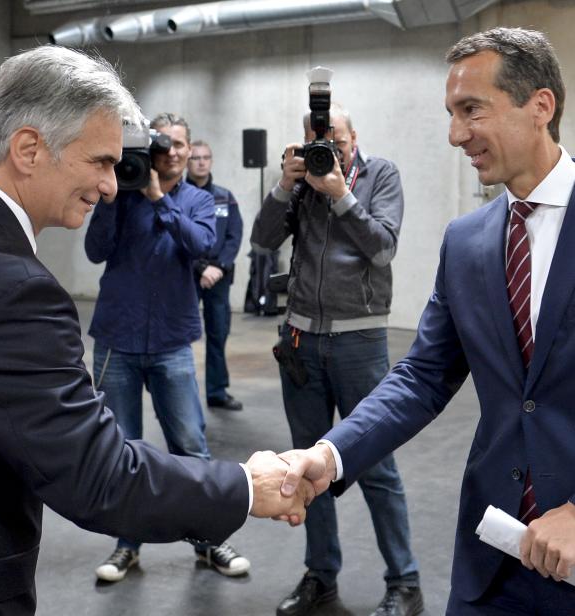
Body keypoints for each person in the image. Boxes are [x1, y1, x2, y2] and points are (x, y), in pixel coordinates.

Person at [0, 45, 311, 616]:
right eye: (99, 161)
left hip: (169, 335)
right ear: (28, 149)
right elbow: (99, 477)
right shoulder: (15, 288)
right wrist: (247, 486)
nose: (107, 184)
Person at [280, 27, 575, 616]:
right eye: (450, 113)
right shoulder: (466, 242)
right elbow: (423, 375)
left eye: (472, 110)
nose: (455, 135)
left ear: (540, 105)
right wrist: (331, 454)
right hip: (492, 560)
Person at [251, 103, 423, 616]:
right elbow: (262, 242)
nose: (331, 151)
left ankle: (406, 582)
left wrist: (342, 195)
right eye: (318, 143)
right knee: (305, 468)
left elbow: (383, 248)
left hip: (359, 341)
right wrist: (286, 185)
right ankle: (320, 575)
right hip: (302, 340)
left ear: (355, 138)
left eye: (339, 142)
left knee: (375, 464)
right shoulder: (300, 182)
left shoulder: (380, 174)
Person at [85, 113, 251, 582]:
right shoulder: (122, 193)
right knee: (120, 450)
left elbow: (202, 244)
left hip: (172, 341)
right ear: (150, 148)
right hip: (117, 338)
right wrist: (116, 195)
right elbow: (96, 250)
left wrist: (158, 199)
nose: (174, 152)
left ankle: (209, 541)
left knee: (190, 447)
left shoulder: (200, 199)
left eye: (181, 144)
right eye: (166, 144)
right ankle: (126, 545)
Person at [186, 139, 244, 411]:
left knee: (218, 333)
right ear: (187, 161)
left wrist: (218, 267)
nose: (200, 162)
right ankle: (180, 394)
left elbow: (234, 236)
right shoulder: (177, 195)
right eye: (195, 157)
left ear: (211, 161)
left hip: (218, 278)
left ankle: (217, 392)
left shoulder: (224, 196)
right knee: (180, 337)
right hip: (185, 275)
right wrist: (199, 267)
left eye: (205, 157)